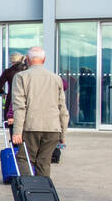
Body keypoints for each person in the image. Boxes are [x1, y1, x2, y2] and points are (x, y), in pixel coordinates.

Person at [11, 46, 69, 177]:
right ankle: (43, 193)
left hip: (31, 126)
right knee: (44, 162)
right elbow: (62, 108)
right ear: (44, 60)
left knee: (24, 159)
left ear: (27, 60)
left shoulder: (21, 77)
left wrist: (17, 132)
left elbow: (20, 106)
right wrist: (63, 135)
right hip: (52, 127)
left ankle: (29, 190)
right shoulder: (56, 78)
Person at [0, 52, 28, 137]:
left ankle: (14, 145)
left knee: (11, 123)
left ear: (12, 61)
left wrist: (2, 93)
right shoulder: (27, 71)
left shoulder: (8, 71)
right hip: (26, 98)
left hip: (12, 98)